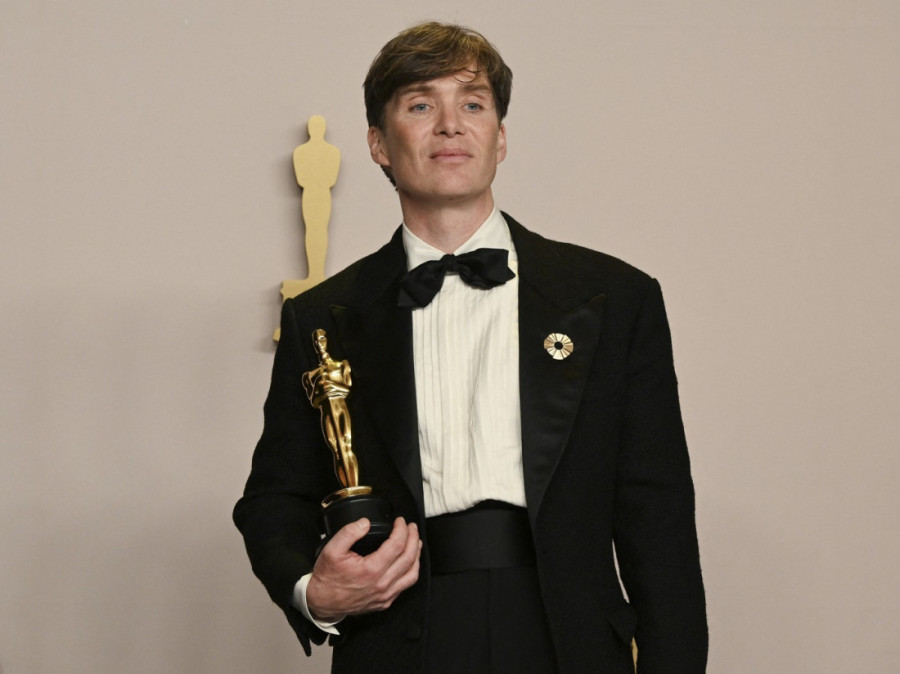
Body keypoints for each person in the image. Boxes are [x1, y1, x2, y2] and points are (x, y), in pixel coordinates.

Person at [234, 21, 707, 673]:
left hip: (568, 639)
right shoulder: (320, 318)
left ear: (500, 137)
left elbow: (659, 518)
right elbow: (274, 498)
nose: (451, 125)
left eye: (473, 104)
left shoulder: (616, 297)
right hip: (400, 638)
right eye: (420, 105)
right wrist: (313, 593)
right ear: (378, 144)